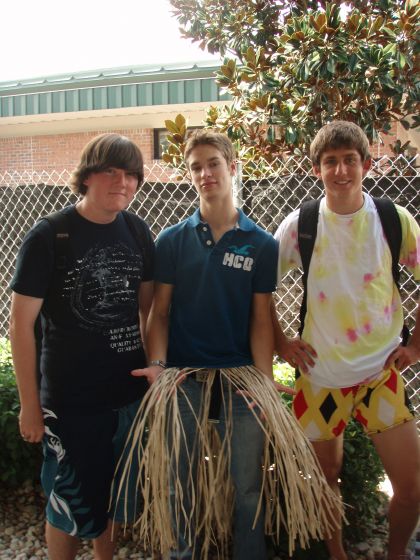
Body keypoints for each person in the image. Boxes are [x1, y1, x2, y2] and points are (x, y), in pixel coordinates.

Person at [121, 129, 341, 560]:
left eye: (213, 164)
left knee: (247, 485)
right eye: (196, 167)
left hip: (241, 381)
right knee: (178, 481)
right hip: (182, 379)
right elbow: (159, 313)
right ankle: (182, 552)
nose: (205, 174)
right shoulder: (171, 241)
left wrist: (262, 380)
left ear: (232, 167)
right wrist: (159, 367)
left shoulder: (259, 244)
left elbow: (262, 318)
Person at [273, 120, 420, 560]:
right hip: (320, 377)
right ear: (317, 168)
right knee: (324, 475)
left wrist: (415, 348)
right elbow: (259, 289)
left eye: (350, 160)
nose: (341, 170)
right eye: (330, 161)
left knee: (411, 486)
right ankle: (336, 554)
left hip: (382, 375)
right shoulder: (301, 224)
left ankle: (396, 554)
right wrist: (281, 343)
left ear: (366, 164)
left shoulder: (394, 220)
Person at [9, 133, 154, 560]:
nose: (122, 182)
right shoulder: (50, 235)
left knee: (113, 497)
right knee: (67, 502)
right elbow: (20, 326)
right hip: (71, 404)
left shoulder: (138, 230)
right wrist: (30, 405)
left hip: (127, 397)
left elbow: (149, 312)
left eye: (131, 175)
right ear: (88, 175)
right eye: (111, 171)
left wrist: (154, 374)